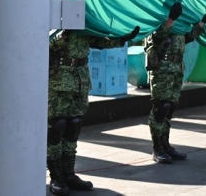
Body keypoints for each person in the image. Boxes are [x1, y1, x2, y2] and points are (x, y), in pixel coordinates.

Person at [47, 26, 140, 195]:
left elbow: (100, 42)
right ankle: (56, 177)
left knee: (73, 127)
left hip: (80, 80)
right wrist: (66, 32)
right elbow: (47, 43)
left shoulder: (86, 22)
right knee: (56, 127)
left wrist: (123, 39)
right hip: (59, 82)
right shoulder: (55, 17)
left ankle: (69, 174)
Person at [145, 2, 206, 164]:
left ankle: (166, 145)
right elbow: (156, 37)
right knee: (161, 108)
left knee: (170, 108)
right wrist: (170, 19)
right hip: (162, 69)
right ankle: (157, 149)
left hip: (176, 69)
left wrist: (202, 22)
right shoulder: (157, 17)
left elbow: (188, 37)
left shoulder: (181, 24)